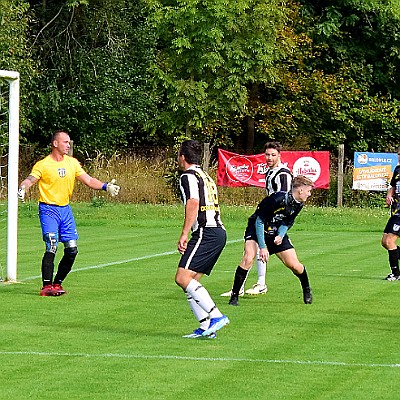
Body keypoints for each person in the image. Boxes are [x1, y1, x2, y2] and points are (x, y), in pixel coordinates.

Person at [17, 130, 120, 296]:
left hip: (65, 210)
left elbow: (88, 180)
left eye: (69, 142)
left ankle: (57, 284)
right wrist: (23, 188)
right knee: (51, 245)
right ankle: (46, 286)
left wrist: (105, 186)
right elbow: (30, 179)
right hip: (48, 209)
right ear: (55, 144)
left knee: (72, 249)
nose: (68, 145)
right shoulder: (43, 164)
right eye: (65, 142)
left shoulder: (72, 163)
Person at [227, 175, 314, 307]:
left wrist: (280, 235)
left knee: (295, 265)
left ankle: (307, 289)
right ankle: (234, 296)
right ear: (300, 190)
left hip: (275, 230)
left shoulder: (299, 204)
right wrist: (262, 247)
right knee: (248, 258)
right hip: (256, 228)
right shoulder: (277, 198)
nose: (310, 194)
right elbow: (259, 221)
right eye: (308, 190)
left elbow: (288, 221)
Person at [221, 141, 292, 297]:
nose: (269, 158)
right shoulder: (270, 172)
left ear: (279, 155)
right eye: (267, 155)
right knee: (252, 248)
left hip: (274, 218)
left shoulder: (283, 174)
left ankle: (260, 284)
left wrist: (275, 216)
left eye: (273, 155)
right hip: (267, 214)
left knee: (264, 248)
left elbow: (285, 198)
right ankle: (243, 286)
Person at [175, 139, 229, 339]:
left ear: (182, 157)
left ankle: (216, 316)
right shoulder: (204, 175)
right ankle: (206, 327)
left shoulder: (187, 176)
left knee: (182, 278)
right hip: (217, 232)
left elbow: (193, 202)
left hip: (207, 231)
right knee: (190, 282)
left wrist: (184, 233)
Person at [382, 146, 400, 280]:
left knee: (389, 241)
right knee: (384, 242)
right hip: (395, 211)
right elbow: (392, 186)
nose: (399, 156)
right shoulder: (398, 169)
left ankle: (396, 274)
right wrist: (389, 195)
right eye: (398, 154)